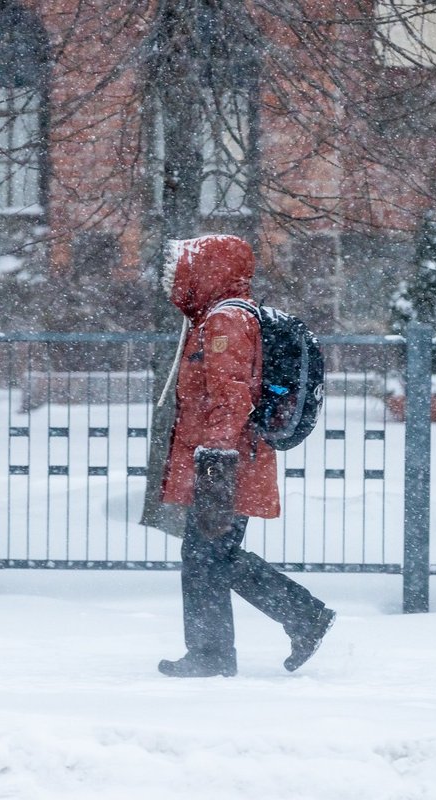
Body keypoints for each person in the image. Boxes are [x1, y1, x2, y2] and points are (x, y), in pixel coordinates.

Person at [156, 234, 335, 678]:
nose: (175, 275)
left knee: (205, 556)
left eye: (184, 266)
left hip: (227, 461)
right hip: (229, 458)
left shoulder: (226, 321)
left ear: (210, 269)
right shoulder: (216, 318)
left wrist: (215, 457)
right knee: (213, 555)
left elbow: (232, 396)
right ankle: (301, 617)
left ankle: (215, 653)